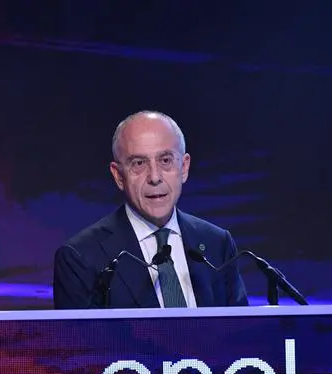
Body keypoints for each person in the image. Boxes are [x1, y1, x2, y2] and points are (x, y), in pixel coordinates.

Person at [53, 110, 248, 309]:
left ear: (184, 167)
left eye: (165, 160)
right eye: (138, 163)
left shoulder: (217, 243)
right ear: (118, 176)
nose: (154, 177)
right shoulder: (80, 257)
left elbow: (240, 326)